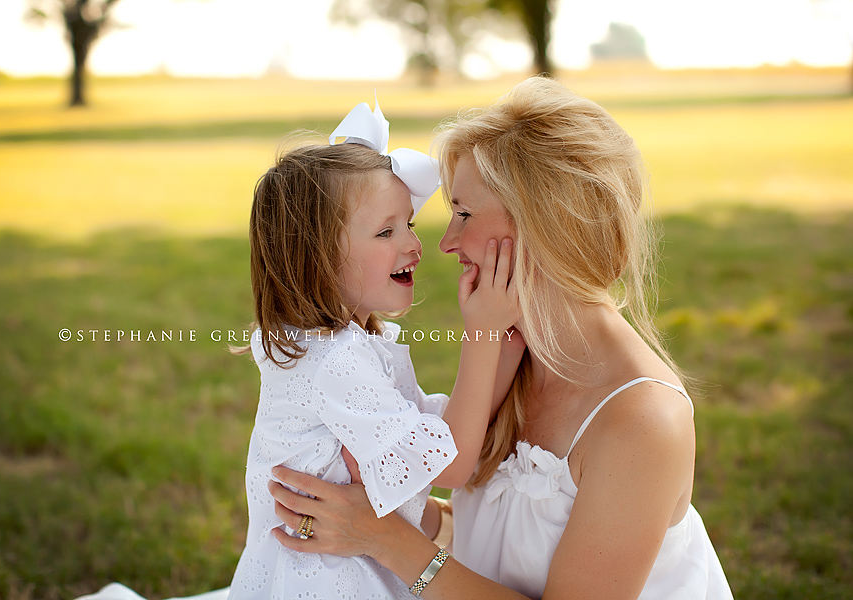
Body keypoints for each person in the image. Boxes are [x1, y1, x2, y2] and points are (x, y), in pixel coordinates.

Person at [268, 77, 734, 600]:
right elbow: (497, 528)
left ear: (546, 224)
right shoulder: (512, 350)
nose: (443, 243)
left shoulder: (644, 419)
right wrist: (360, 513)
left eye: (463, 213)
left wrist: (387, 540)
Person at [225, 99, 520, 600]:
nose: (414, 245)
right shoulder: (334, 361)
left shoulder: (344, 346)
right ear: (315, 258)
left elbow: (440, 434)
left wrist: (508, 339)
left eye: (408, 222)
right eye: (386, 231)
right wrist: (484, 335)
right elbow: (451, 464)